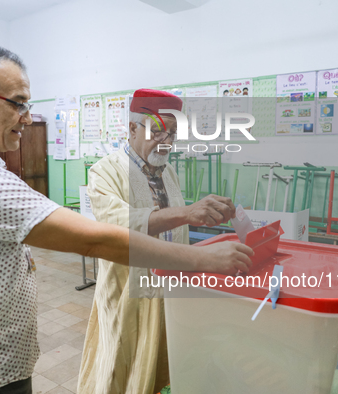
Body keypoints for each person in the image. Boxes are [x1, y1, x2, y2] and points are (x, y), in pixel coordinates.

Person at [0, 45, 253, 394]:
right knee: (125, 370)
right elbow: (101, 236)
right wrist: (203, 257)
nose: (27, 118)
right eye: (18, 104)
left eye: (172, 134)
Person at [78, 89, 253, 394]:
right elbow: (121, 226)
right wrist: (187, 212)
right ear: (132, 128)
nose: (167, 141)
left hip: (170, 291)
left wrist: (200, 217)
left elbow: (174, 223)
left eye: (173, 133)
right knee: (122, 367)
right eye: (158, 130)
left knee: (165, 364)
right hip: (127, 295)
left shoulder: (167, 170)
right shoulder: (105, 171)